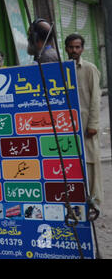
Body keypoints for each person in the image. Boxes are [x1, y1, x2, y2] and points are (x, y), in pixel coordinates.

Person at [65, 33, 103, 209]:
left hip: (87, 125)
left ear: (82, 49)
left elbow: (96, 98)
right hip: (68, 126)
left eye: (77, 47)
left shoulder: (89, 69)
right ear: (66, 48)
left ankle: (94, 203)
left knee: (90, 163)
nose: (74, 50)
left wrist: (94, 125)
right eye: (71, 47)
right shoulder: (61, 68)